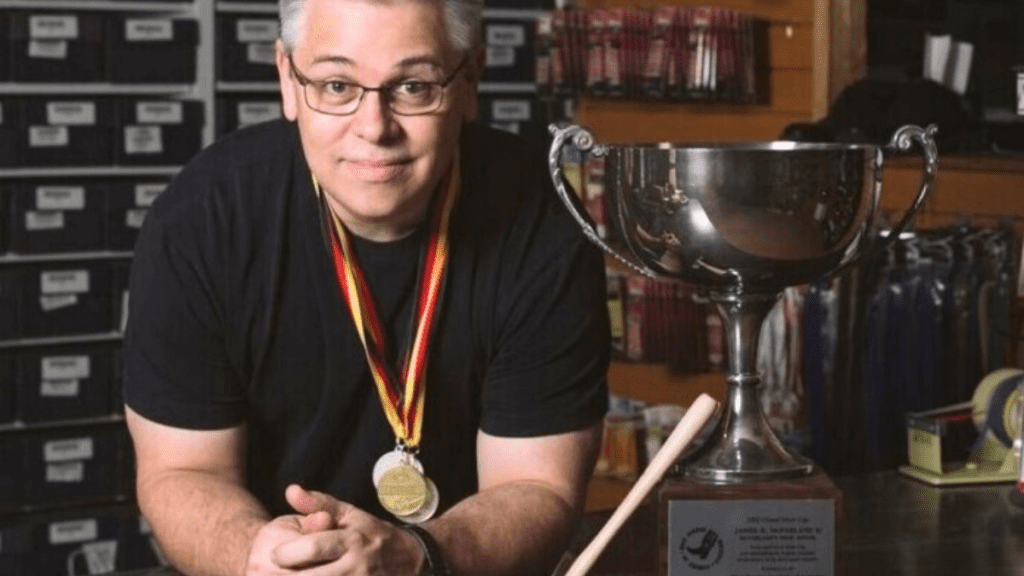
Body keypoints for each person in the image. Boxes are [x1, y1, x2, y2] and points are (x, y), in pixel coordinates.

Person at [120, 0, 611, 575]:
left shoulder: (542, 222)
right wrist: (259, 557)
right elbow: (182, 471)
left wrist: (416, 556)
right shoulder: (201, 221)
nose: (375, 128)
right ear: (287, 79)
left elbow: (538, 485)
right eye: (336, 86)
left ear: (470, 81)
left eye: (414, 87)